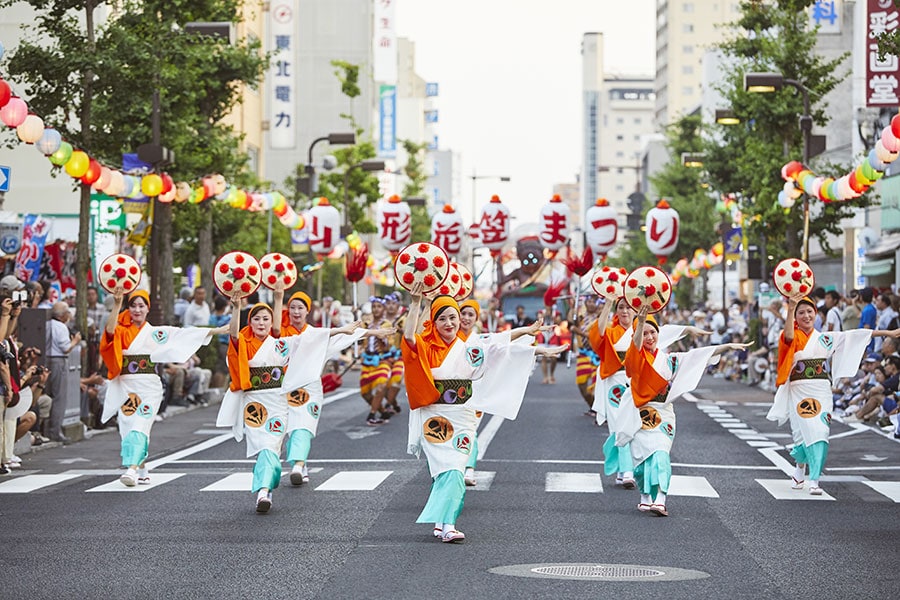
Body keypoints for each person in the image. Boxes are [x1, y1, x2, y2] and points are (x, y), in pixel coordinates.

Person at [402, 282, 566, 542]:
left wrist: (536, 346)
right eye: (442, 318)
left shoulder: (471, 347)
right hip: (435, 416)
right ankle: (447, 524)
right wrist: (415, 304)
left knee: (456, 466)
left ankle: (444, 522)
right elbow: (409, 336)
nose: (449, 323)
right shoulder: (425, 346)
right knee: (449, 469)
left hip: (463, 415)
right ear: (433, 322)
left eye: (453, 317)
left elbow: (500, 347)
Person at [766, 296, 900, 496]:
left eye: (809, 311)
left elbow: (856, 335)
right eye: (801, 312)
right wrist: (791, 306)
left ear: (816, 314)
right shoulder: (793, 335)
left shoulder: (825, 338)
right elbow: (788, 336)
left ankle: (815, 479)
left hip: (821, 389)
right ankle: (800, 468)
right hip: (798, 389)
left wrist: (887, 332)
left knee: (820, 431)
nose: (806, 316)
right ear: (795, 316)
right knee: (801, 432)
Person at [624, 306, 749, 516]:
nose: (649, 337)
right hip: (640, 413)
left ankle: (661, 499)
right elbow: (635, 349)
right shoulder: (634, 358)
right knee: (642, 460)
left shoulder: (670, 360)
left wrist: (726, 346)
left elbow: (697, 356)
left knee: (661, 453)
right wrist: (641, 322)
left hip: (664, 412)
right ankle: (645, 496)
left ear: (659, 334)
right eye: (643, 332)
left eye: (652, 332)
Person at [100, 289, 219, 487]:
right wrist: (117, 304)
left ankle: (131, 469)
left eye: (141, 306)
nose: (137, 310)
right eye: (133, 306)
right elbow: (109, 333)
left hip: (149, 387)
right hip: (126, 386)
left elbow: (182, 334)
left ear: (148, 309)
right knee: (128, 427)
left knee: (140, 424)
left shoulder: (156, 333)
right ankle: (143, 467)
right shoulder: (122, 329)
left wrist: (216, 331)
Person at [272, 286, 383, 487]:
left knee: (303, 427)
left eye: (300, 308)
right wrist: (278, 297)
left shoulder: (319, 334)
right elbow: (275, 331)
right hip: (284, 389)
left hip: (310, 390)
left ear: (308, 311)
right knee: (289, 429)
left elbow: (348, 335)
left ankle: (297, 464)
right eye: (293, 308)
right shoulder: (282, 335)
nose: (296, 312)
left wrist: (377, 332)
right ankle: (301, 463)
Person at [44, 302, 81, 443]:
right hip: (58, 360)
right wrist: (75, 341)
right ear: (63, 315)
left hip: (47, 359)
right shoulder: (61, 327)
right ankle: (55, 430)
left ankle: (47, 429)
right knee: (59, 396)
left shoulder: (47, 324)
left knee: (49, 395)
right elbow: (65, 348)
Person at [359, 297, 392, 425]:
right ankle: (382, 411)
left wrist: (382, 337)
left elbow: (389, 344)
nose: (376, 309)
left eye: (379, 306)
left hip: (382, 360)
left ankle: (371, 414)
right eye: (374, 307)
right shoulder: (366, 324)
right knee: (365, 394)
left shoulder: (386, 325)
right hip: (367, 361)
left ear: (383, 309)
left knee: (381, 387)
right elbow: (360, 339)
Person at [571, 296, 601, 414]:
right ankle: (593, 406)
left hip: (597, 356)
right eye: (589, 301)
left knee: (596, 386)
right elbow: (570, 319)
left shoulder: (600, 319)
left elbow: (595, 337)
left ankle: (600, 411)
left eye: (594, 302)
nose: (592, 304)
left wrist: (579, 332)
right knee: (581, 385)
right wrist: (573, 306)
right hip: (583, 355)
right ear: (585, 303)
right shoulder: (580, 318)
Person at [383, 292, 407, 415]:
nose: (391, 306)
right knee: (383, 383)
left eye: (394, 304)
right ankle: (394, 404)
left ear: (398, 305)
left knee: (396, 379)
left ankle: (388, 405)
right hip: (383, 356)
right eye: (388, 303)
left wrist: (401, 330)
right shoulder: (381, 320)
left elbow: (410, 335)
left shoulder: (403, 319)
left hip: (399, 355)